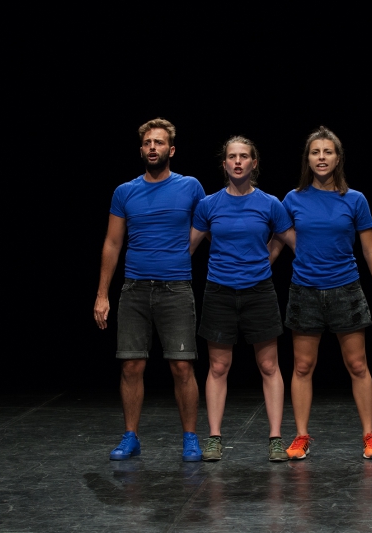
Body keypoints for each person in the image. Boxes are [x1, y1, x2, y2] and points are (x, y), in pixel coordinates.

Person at [269, 126, 372, 461]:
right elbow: (277, 244)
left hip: (345, 290)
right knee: (302, 366)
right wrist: (252, 271)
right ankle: (301, 436)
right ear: (307, 159)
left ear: (338, 158)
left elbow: (370, 251)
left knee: (357, 364)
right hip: (305, 291)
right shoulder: (292, 199)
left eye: (328, 152)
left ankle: (369, 434)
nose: (321, 158)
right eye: (315, 152)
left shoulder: (355, 199)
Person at [94, 118, 205, 462]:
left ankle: (190, 438)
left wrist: (180, 253)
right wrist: (102, 294)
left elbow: (205, 226)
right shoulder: (125, 191)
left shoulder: (190, 186)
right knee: (131, 366)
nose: (152, 147)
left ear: (171, 149)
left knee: (182, 367)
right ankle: (131, 437)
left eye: (158, 142)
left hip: (176, 289)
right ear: (141, 149)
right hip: (135, 290)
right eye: (147, 143)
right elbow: (113, 243)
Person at [189, 136, 293, 462]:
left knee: (269, 365)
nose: (237, 162)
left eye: (244, 156)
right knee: (219, 366)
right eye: (232, 157)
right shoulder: (208, 205)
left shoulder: (270, 203)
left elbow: (289, 238)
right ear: (224, 164)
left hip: (259, 291)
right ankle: (214, 437)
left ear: (253, 163)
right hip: (219, 291)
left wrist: (266, 259)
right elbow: (189, 246)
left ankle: (275, 438)